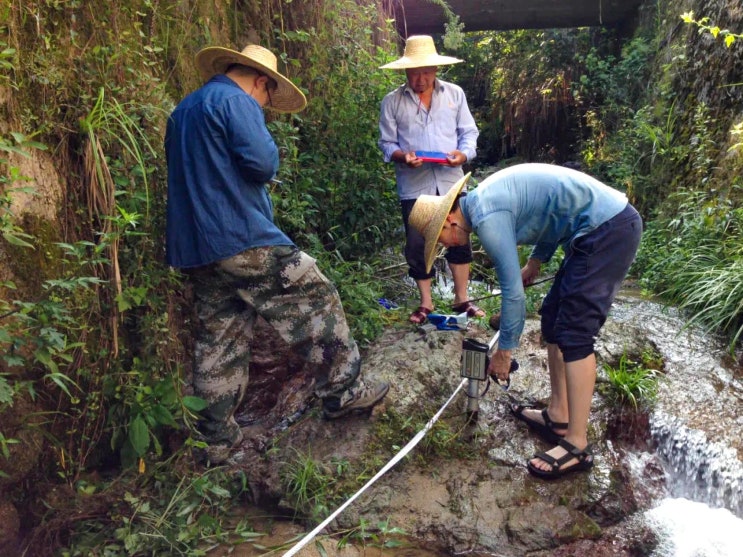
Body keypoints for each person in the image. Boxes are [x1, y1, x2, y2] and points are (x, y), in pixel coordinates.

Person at [165, 44, 389, 464]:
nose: (266, 106)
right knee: (315, 296)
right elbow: (263, 164)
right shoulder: (237, 100)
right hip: (241, 236)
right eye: (268, 99)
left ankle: (216, 442)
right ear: (261, 82)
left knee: (220, 339)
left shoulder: (183, 110)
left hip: (197, 247)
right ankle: (344, 392)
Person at [408, 163, 642, 479]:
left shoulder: (487, 219)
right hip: (595, 230)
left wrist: (504, 353)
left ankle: (577, 443)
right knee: (552, 318)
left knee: (575, 332)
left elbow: (514, 296)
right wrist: (534, 264)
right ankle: (558, 415)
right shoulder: (484, 201)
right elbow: (551, 215)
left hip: (609, 230)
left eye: (441, 240)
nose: (446, 247)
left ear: (450, 220)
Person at [378, 35, 483, 325]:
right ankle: (425, 302)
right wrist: (403, 157)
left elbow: (469, 133)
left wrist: (462, 155)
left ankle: (462, 298)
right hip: (415, 186)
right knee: (416, 243)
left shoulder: (454, 94)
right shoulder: (392, 101)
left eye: (426, 72)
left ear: (436, 70)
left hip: (452, 180)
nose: (420, 78)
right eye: (414, 72)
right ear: (405, 72)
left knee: (459, 236)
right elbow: (386, 143)